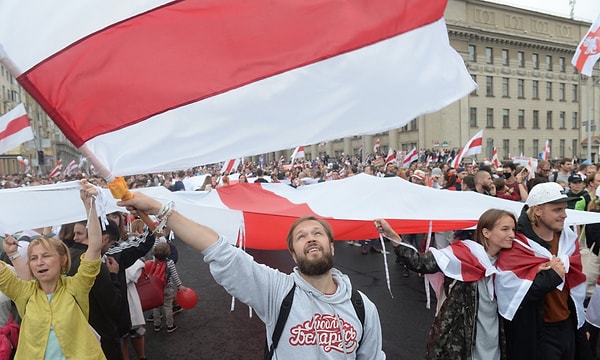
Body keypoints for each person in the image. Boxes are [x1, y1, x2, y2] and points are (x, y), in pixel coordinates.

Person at [117, 194, 386, 359]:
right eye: (301, 237)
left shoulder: (362, 308)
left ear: (331, 245)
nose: (311, 239)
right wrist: (158, 208)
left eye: (317, 234)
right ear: (293, 255)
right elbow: (220, 251)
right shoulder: (277, 291)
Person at [375, 208, 516, 359]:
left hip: (493, 343)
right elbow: (420, 263)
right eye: (505, 229)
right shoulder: (462, 255)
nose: (512, 235)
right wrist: (392, 235)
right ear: (486, 232)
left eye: (514, 229)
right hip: (461, 343)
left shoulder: (513, 262)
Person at [0, 180, 105, 359]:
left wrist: (90, 207)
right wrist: (12, 254)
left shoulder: (76, 287)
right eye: (33, 258)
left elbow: (94, 247)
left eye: (46, 256)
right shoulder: (23, 292)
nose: (39, 262)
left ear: (62, 259)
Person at [495, 181, 590, 360]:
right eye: (557, 210)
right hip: (536, 333)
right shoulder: (516, 244)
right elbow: (512, 295)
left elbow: (573, 287)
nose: (564, 215)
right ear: (537, 210)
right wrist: (552, 276)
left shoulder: (568, 239)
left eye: (564, 209)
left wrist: (580, 326)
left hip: (567, 326)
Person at [69, 218, 122, 360]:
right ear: (104, 238)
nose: (110, 249)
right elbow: (114, 306)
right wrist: (113, 276)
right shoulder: (95, 265)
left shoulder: (64, 257)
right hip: (100, 335)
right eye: (111, 244)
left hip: (73, 335)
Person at [151, 242, 186, 333]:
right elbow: (175, 275)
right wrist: (179, 285)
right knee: (168, 307)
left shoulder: (154, 262)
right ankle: (170, 325)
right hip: (167, 287)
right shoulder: (170, 263)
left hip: (156, 288)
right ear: (168, 253)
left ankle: (157, 325)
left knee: (156, 307)